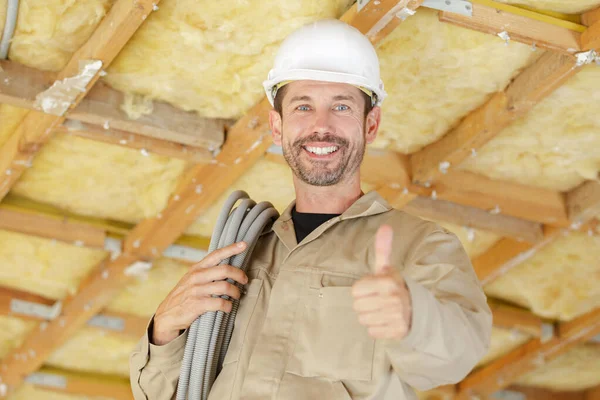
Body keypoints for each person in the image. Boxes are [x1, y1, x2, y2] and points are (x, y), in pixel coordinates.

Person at [130, 19, 492, 400]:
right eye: (304, 106)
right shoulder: (242, 251)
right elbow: (160, 395)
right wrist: (164, 328)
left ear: (370, 125)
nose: (322, 127)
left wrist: (413, 317)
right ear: (277, 125)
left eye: (341, 106)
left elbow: (457, 353)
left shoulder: (419, 245)